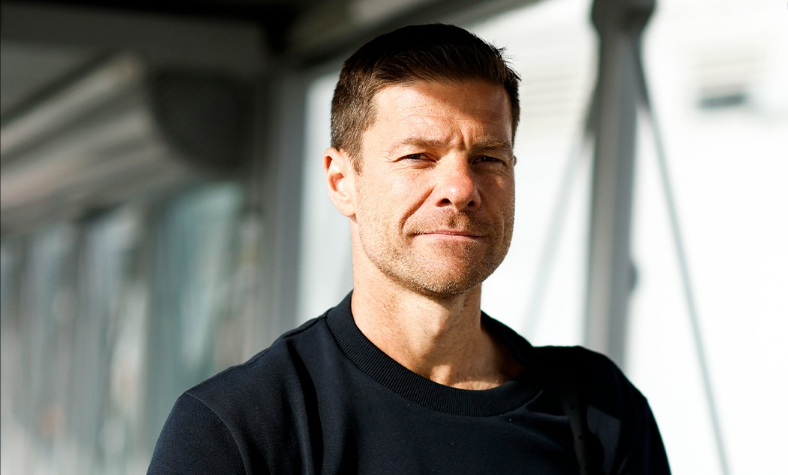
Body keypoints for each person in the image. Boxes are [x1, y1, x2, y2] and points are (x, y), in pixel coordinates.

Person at [147, 24, 671, 475]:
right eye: (419, 156)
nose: (461, 188)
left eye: (489, 158)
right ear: (341, 182)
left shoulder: (599, 414)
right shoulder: (239, 431)